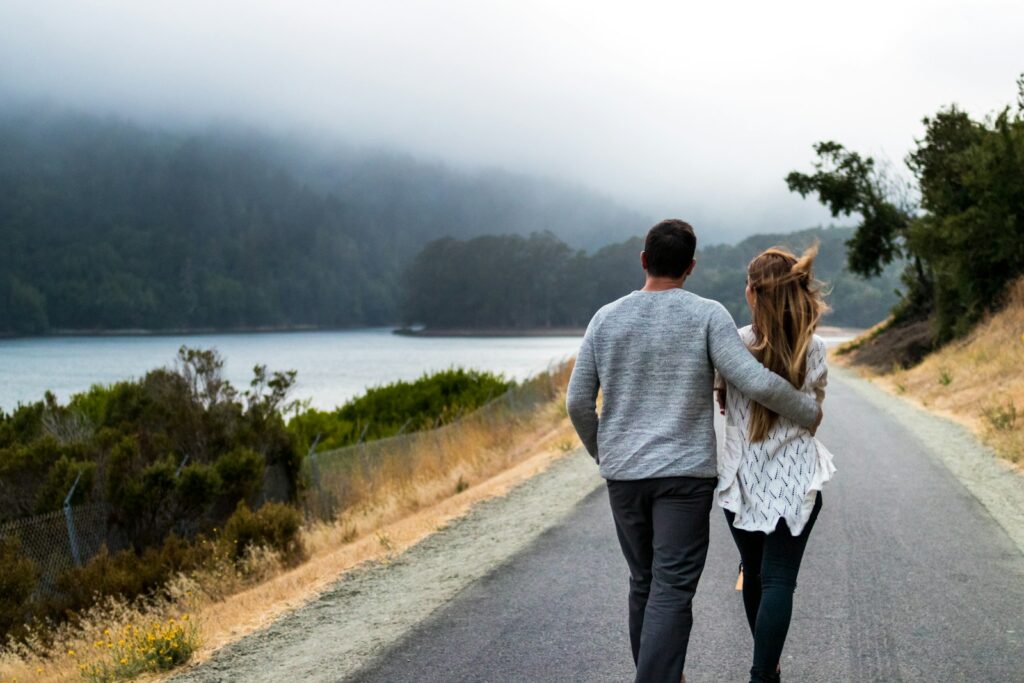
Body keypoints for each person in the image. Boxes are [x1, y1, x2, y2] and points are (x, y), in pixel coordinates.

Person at [565, 219, 822, 683]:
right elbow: (755, 380)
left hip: (624, 477)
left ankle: (664, 674)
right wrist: (807, 411)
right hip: (684, 478)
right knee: (671, 588)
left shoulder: (605, 318)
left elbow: (577, 402)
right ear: (691, 267)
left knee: (642, 582)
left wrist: (604, 453)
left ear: (644, 260)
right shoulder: (706, 314)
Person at [714, 244, 836, 683]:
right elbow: (815, 411)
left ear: (752, 293)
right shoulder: (815, 346)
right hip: (796, 480)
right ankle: (763, 673)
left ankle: (768, 669)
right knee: (780, 579)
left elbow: (723, 401)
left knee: (755, 574)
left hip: (741, 482)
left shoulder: (734, 346)